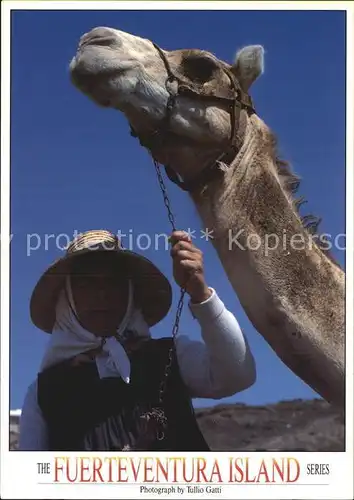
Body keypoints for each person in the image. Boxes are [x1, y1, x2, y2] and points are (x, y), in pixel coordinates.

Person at [19, 229, 256, 451]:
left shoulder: (170, 356)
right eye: (86, 283)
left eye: (113, 282)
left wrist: (201, 295)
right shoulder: (44, 392)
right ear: (67, 300)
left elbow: (237, 375)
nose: (101, 294)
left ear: (131, 294)